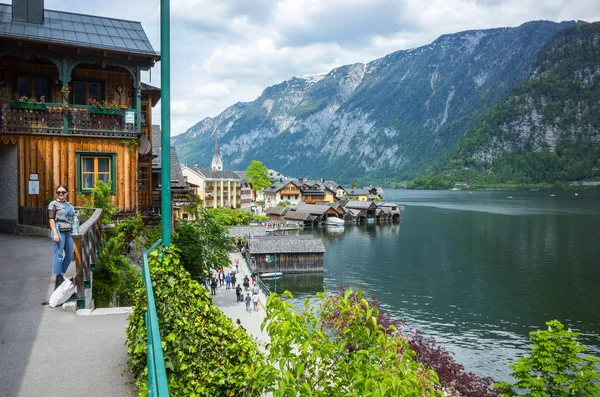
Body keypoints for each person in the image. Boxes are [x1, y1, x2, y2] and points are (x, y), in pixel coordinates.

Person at [48, 185, 75, 289]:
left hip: (68, 230)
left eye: (63, 192)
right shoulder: (53, 204)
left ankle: (61, 273)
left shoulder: (69, 205)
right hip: (59, 229)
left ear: (67, 193)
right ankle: (58, 277)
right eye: (58, 192)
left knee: (70, 255)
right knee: (58, 254)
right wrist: (55, 233)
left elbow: (73, 218)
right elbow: (51, 219)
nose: (60, 194)